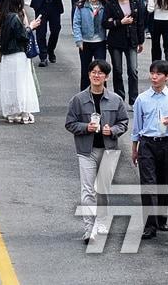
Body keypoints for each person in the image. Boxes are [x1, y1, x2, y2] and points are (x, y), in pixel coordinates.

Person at [65, 61, 129, 242]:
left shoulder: (116, 100)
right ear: (89, 75)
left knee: (103, 190)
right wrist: (87, 127)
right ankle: (88, 228)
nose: (96, 75)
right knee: (87, 191)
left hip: (108, 150)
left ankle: (101, 223)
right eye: (93, 72)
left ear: (106, 77)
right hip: (86, 151)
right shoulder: (78, 100)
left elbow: (123, 122)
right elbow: (70, 123)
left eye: (100, 73)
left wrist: (113, 130)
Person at [131, 61, 168, 240]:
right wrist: (135, 148)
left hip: (166, 144)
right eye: (152, 73)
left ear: (167, 76)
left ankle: (161, 218)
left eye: (158, 74)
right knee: (148, 185)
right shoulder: (142, 99)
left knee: (164, 182)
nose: (154, 77)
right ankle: (149, 225)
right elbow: (137, 126)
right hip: (147, 144)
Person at [0, 0, 41, 123]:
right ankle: (22, 111)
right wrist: (31, 27)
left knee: (9, 84)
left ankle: (12, 113)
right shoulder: (14, 18)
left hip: (6, 55)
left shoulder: (4, 17)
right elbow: (22, 35)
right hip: (18, 54)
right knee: (21, 84)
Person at [102, 0, 144, 103]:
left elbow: (140, 23)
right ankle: (119, 98)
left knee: (133, 70)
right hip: (115, 41)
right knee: (117, 70)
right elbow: (105, 23)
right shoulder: (110, 4)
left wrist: (140, 41)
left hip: (131, 40)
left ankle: (133, 99)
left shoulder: (134, 2)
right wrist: (120, 22)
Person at [72, 0, 108, 91]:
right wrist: (79, 40)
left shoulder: (105, 6)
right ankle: (84, 93)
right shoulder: (80, 6)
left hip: (100, 42)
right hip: (85, 42)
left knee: (101, 69)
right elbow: (76, 24)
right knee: (86, 70)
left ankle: (102, 92)